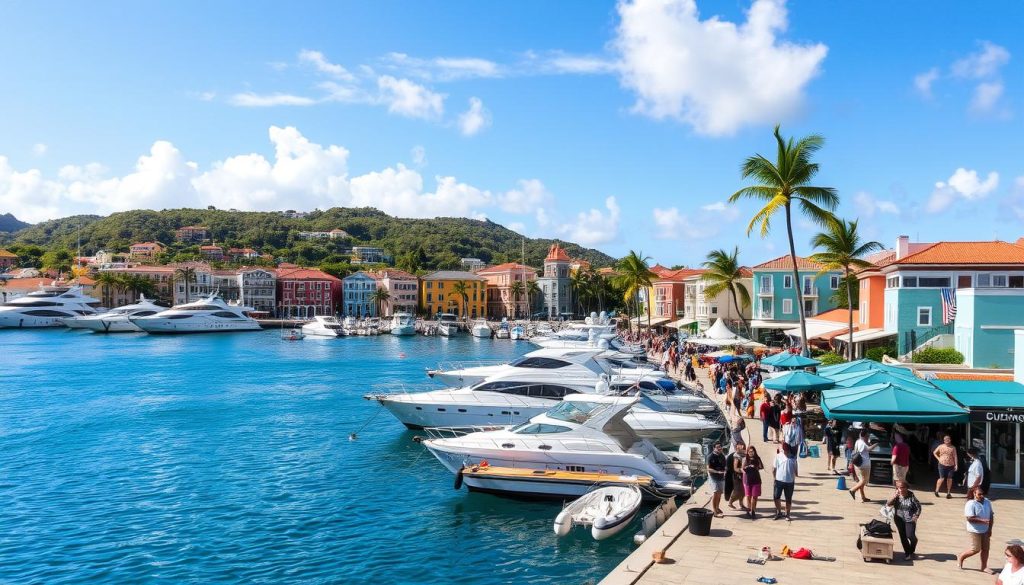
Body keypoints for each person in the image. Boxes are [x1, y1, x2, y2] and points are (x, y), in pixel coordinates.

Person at [958, 487, 995, 572]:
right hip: (974, 530)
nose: (981, 496)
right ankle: (961, 556)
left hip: (985, 530)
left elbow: (991, 516)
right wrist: (983, 521)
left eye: (982, 494)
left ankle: (984, 566)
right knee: (975, 549)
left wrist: (990, 529)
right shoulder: (970, 504)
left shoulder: (987, 502)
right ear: (974, 494)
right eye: (979, 494)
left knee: (986, 549)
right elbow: (969, 518)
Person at [886, 480, 922, 560]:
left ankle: (913, 545)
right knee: (903, 536)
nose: (901, 490)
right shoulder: (897, 495)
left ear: (906, 488)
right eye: (899, 488)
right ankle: (907, 553)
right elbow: (888, 504)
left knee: (910, 536)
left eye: (902, 488)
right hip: (899, 519)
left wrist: (916, 516)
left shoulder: (911, 496)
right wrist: (894, 497)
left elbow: (918, 507)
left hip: (910, 519)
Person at [848, 429, 876, 502]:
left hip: (858, 464)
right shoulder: (862, 443)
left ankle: (863, 497)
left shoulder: (858, 441)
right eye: (868, 436)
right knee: (864, 481)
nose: (868, 437)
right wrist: (876, 444)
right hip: (864, 464)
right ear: (865, 435)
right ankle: (853, 490)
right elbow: (869, 449)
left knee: (861, 481)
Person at [772, 443, 798, 521]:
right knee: (776, 497)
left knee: (788, 498)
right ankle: (779, 512)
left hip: (790, 481)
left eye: (787, 450)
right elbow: (774, 468)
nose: (786, 452)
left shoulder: (793, 458)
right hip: (779, 480)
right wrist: (774, 478)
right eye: (785, 450)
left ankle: (787, 514)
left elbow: (796, 472)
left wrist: (794, 475)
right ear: (783, 450)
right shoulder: (778, 456)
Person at [933, 434, 959, 499]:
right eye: (945, 439)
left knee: (949, 479)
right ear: (944, 440)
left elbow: (955, 456)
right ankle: (936, 491)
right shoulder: (941, 446)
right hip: (942, 464)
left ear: (950, 440)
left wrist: (956, 465)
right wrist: (938, 458)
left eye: (948, 439)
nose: (946, 441)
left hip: (951, 465)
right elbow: (934, 452)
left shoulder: (953, 447)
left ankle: (948, 493)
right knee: (941, 478)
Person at [742, 445, 764, 519]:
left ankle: (753, 511)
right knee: (748, 496)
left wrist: (755, 467)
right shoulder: (745, 459)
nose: (751, 453)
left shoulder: (757, 458)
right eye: (749, 451)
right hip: (747, 479)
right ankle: (748, 510)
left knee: (755, 496)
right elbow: (742, 468)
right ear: (747, 452)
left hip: (756, 479)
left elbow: (761, 467)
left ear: (754, 452)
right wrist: (746, 468)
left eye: (752, 451)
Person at [706, 442, 727, 518]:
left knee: (719, 493)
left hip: (721, 477)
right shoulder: (710, 457)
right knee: (716, 493)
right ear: (714, 448)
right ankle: (714, 511)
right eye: (717, 447)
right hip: (714, 477)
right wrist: (717, 472)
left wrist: (725, 471)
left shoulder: (722, 455)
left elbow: (725, 466)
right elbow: (708, 468)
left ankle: (717, 508)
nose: (719, 448)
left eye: (720, 447)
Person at [727, 441, 747, 511]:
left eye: (742, 445)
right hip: (737, 476)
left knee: (743, 491)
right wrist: (742, 471)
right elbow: (735, 468)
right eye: (739, 445)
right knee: (737, 490)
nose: (741, 446)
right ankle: (730, 502)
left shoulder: (744, 453)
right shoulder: (736, 455)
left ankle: (741, 504)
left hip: (743, 475)